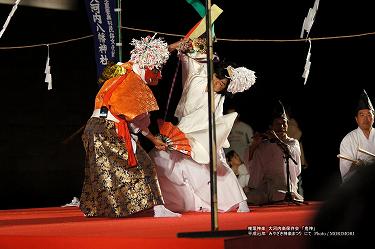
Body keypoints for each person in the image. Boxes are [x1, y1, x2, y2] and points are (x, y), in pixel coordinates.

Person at [149, 37, 256, 213]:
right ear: (211, 73)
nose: (218, 84)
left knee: (217, 165)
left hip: (207, 134)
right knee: (161, 159)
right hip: (185, 131)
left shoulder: (219, 98)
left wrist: (231, 72)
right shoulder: (197, 77)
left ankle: (239, 202)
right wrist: (196, 46)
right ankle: (168, 204)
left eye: (223, 84)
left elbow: (243, 82)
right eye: (216, 78)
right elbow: (192, 58)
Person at [79, 35, 181, 218]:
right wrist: (153, 139)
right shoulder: (135, 85)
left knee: (101, 169)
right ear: (147, 67)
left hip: (92, 126)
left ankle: (96, 209)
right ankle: (159, 208)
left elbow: (146, 56)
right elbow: (136, 123)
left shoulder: (124, 70)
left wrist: (174, 46)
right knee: (145, 165)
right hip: (110, 128)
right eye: (157, 69)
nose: (160, 75)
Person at [245, 100, 303, 205]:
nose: (281, 127)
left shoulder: (293, 142)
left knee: (281, 196)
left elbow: (289, 153)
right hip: (266, 186)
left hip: (283, 185)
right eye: (277, 124)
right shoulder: (264, 144)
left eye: (284, 123)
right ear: (271, 127)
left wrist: (276, 139)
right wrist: (255, 145)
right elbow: (250, 161)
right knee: (248, 198)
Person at [339, 89, 375, 183]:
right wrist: (356, 167)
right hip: (358, 186)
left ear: (373, 118)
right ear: (356, 119)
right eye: (362, 115)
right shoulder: (348, 139)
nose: (365, 119)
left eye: (368, 115)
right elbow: (346, 173)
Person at [285, 105, 307, 197]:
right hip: (292, 158)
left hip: (295, 158)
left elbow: (299, 134)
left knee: (297, 182)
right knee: (294, 182)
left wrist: (291, 143)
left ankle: (299, 198)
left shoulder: (291, 123)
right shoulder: (288, 124)